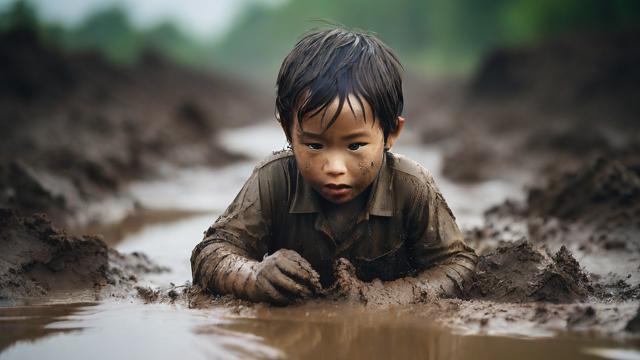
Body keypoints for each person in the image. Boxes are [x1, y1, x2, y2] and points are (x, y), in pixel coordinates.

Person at [190, 27, 477, 305]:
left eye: (355, 146)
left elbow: (458, 265)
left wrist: (393, 296)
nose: (335, 167)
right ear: (288, 132)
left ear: (391, 134)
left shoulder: (411, 186)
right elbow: (212, 252)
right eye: (315, 145)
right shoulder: (275, 180)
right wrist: (255, 276)